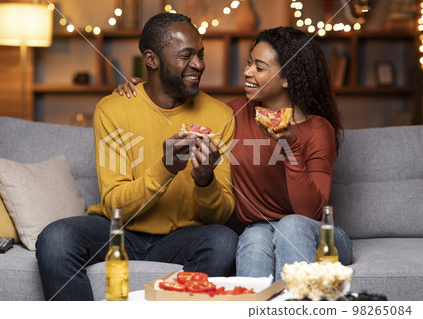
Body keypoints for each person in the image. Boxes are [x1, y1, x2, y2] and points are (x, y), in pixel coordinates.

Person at [115, 27, 353, 281]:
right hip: (259, 228)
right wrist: (147, 89)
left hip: (320, 234)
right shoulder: (233, 114)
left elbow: (310, 213)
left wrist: (291, 147)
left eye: (259, 68)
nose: (247, 72)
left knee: (291, 225)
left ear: (288, 78)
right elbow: (181, 110)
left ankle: (295, 307)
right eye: (249, 62)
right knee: (255, 234)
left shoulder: (318, 129)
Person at [35, 12, 238, 301]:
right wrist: (165, 169)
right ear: (152, 60)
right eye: (186, 55)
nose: (199, 64)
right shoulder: (113, 109)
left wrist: (205, 181)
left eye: (201, 54)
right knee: (56, 237)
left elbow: (220, 216)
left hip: (182, 238)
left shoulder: (221, 115)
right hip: (118, 231)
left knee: (223, 240)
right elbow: (115, 205)